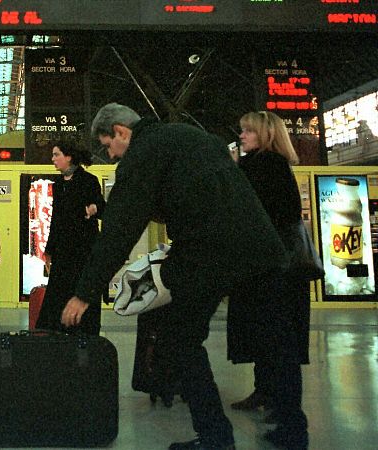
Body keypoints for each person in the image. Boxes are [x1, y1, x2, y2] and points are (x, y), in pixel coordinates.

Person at [63, 103, 299, 450]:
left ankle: (216, 437)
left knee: (179, 339)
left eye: (109, 146)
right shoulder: (192, 135)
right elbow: (202, 193)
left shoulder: (142, 154)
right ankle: (294, 432)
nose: (111, 155)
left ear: (121, 132)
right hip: (262, 248)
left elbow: (119, 231)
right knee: (277, 341)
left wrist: (84, 293)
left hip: (209, 253)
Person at [227, 110, 310, 447]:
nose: (242, 136)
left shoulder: (260, 167)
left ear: (265, 135)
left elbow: (242, 210)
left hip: (268, 271)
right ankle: (279, 407)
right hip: (283, 271)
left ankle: (291, 424)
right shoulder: (276, 165)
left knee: (275, 346)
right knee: (278, 344)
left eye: (248, 131)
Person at [35, 142, 104, 335]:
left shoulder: (89, 180)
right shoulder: (58, 184)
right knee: (58, 292)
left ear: (69, 157)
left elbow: (101, 206)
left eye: (56, 154)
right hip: (63, 251)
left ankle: (84, 332)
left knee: (82, 289)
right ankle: (59, 331)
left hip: (84, 249)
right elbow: (56, 219)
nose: (53, 159)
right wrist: (49, 250)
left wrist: (94, 208)